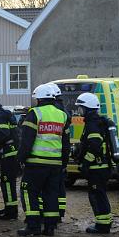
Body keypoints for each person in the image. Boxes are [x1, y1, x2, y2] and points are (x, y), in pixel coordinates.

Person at [17, 83, 70, 237]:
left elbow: (27, 140)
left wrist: (20, 159)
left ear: (39, 99)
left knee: (28, 191)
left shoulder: (35, 113)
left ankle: (33, 225)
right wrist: (63, 163)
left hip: (36, 163)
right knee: (51, 194)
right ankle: (50, 228)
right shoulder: (62, 115)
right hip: (55, 164)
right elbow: (65, 143)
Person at [74, 92, 113, 234]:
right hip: (100, 167)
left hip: (97, 168)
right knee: (98, 195)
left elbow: (95, 145)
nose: (79, 111)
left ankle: (103, 226)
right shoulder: (95, 122)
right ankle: (103, 223)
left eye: (80, 108)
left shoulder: (92, 124)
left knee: (98, 196)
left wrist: (85, 162)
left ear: (87, 108)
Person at [49, 83, 71, 222]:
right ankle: (60, 212)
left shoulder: (52, 110)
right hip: (61, 154)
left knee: (49, 188)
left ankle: (51, 215)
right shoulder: (64, 111)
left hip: (49, 157)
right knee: (60, 186)